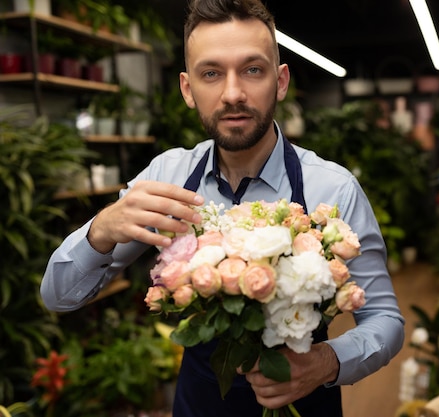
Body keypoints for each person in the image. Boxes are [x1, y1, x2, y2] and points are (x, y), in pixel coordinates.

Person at [40, 0, 405, 415]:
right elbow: (58, 297)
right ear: (187, 89)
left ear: (281, 81)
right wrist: (101, 230)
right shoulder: (166, 178)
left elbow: (385, 321)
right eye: (211, 73)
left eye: (253, 70)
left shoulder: (332, 188)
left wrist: (326, 361)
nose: (233, 94)